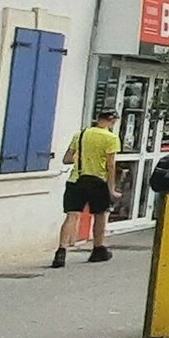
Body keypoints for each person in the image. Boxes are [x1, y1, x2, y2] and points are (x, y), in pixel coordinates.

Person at [54, 110, 121, 267]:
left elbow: (67, 159)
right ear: (112, 122)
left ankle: (61, 252)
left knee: (72, 215)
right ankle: (98, 249)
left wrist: (82, 159)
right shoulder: (111, 138)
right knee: (100, 215)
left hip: (76, 180)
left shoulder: (80, 134)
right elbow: (110, 165)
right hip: (97, 181)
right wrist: (111, 187)